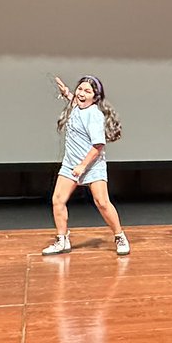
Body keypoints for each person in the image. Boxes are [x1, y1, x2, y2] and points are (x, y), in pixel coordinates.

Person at [42, 75, 130, 256]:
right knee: (57, 200)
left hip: (92, 165)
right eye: (80, 89)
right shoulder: (76, 105)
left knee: (102, 203)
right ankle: (62, 240)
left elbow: (98, 146)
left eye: (87, 91)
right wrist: (66, 91)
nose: (81, 94)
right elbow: (73, 99)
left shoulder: (94, 115)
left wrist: (83, 166)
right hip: (70, 164)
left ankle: (119, 236)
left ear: (95, 97)